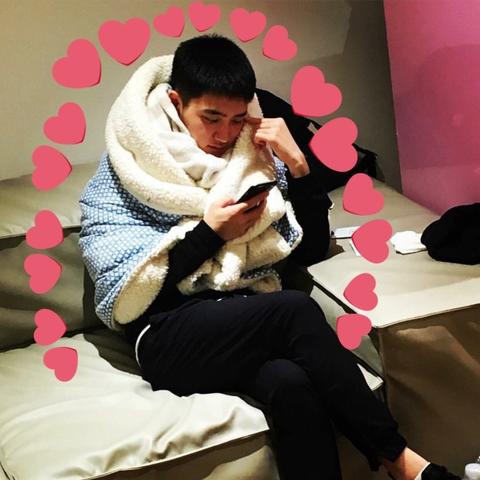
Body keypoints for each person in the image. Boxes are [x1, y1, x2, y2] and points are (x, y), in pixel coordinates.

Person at [78, 33, 461, 480]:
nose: (224, 135)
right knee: (293, 310)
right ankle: (403, 463)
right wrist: (210, 234)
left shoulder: (252, 160)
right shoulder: (129, 170)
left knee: (291, 384)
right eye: (211, 118)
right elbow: (129, 293)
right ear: (176, 102)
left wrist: (299, 167)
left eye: (237, 119)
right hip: (167, 336)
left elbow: (310, 248)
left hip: (245, 322)